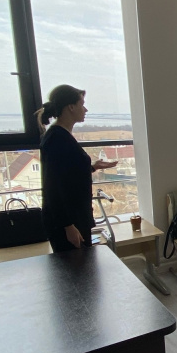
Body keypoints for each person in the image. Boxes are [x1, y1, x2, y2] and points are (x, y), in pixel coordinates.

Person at [36, 85, 117, 253]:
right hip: (67, 222)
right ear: (71, 107)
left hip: (75, 218)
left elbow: (67, 174)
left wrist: (92, 167)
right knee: (76, 267)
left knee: (82, 266)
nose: (85, 109)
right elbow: (53, 186)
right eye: (82, 104)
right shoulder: (56, 139)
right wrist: (68, 226)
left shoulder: (61, 136)